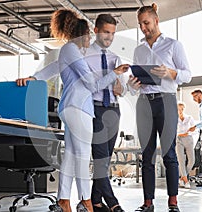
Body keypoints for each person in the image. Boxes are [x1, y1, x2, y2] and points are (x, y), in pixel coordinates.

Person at [16, 9, 129, 212]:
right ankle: (86, 201)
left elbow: (53, 68)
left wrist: (34, 78)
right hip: (79, 108)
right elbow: (92, 85)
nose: (90, 40)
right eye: (88, 36)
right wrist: (115, 73)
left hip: (72, 107)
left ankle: (63, 199)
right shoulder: (72, 50)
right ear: (83, 34)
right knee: (83, 156)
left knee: (70, 155)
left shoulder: (71, 51)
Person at [128, 3, 191, 212]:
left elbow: (187, 74)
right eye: (140, 25)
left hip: (167, 101)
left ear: (156, 20)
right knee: (146, 154)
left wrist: (171, 73)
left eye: (146, 23)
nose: (143, 28)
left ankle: (173, 203)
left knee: (169, 153)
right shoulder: (138, 50)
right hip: (144, 103)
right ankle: (148, 203)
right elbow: (136, 80)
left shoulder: (173, 45)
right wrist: (132, 85)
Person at [83, 14, 126, 212]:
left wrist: (120, 86)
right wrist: (113, 74)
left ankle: (96, 200)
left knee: (105, 160)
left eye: (113, 34)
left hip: (114, 110)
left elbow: (122, 90)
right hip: (96, 109)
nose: (109, 37)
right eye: (106, 32)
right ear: (96, 31)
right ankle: (113, 203)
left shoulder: (115, 58)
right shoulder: (84, 55)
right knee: (100, 159)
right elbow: (89, 87)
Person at [176, 102, 195, 189]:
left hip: (188, 139)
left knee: (192, 160)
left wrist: (188, 132)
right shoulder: (174, 119)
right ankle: (186, 181)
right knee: (181, 160)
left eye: (182, 109)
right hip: (178, 140)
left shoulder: (189, 118)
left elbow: (194, 128)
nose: (180, 111)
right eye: (178, 109)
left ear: (184, 109)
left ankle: (182, 178)